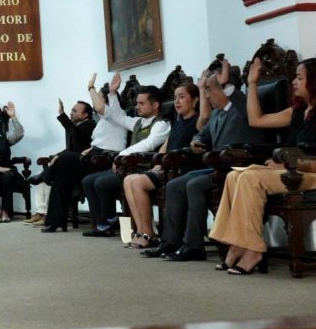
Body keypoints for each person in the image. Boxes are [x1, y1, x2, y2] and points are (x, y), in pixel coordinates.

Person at [209, 57, 316, 275]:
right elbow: (256, 120)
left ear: (315, 81)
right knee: (235, 176)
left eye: (299, 78)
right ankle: (238, 243)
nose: (294, 82)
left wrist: (292, 164)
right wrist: (252, 84)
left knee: (250, 178)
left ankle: (253, 249)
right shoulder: (298, 111)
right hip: (295, 171)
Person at [144, 61, 261, 261]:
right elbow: (201, 134)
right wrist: (196, 142)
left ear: (224, 89)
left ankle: (194, 246)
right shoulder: (217, 113)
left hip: (238, 169)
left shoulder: (242, 107)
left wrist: (226, 84)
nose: (206, 95)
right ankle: (170, 241)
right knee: (174, 185)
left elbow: (243, 105)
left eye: (210, 90)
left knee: (194, 185)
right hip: (216, 168)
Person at [80, 74, 170, 236]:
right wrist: (112, 93)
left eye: (141, 103)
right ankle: (102, 223)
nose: (137, 107)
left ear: (155, 105)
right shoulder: (138, 122)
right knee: (88, 180)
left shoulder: (162, 124)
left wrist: (121, 156)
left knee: (101, 182)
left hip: (144, 170)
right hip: (128, 167)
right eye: (137, 103)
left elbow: (148, 144)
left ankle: (110, 220)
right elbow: (116, 117)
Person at [39, 77, 129, 232]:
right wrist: (89, 149)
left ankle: (44, 176)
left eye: (99, 98)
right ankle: (55, 221)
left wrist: (91, 88)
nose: (95, 102)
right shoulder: (102, 120)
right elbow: (99, 141)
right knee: (61, 178)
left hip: (104, 161)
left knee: (65, 157)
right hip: (92, 157)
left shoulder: (115, 114)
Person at [121, 81, 200, 248]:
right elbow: (166, 145)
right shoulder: (178, 122)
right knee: (128, 180)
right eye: (175, 98)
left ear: (195, 100)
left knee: (137, 182)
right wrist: (158, 162)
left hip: (181, 168)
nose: (177, 101)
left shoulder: (199, 121)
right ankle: (141, 230)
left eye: (182, 97)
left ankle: (148, 233)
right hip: (166, 166)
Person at [25, 98, 95, 225]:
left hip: (83, 166)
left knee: (51, 173)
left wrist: (62, 114)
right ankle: (43, 213)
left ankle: (44, 179)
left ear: (85, 114)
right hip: (70, 164)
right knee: (49, 172)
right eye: (71, 110)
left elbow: (77, 141)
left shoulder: (89, 125)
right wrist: (56, 156)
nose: (71, 113)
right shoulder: (73, 127)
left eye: (74, 111)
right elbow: (69, 149)